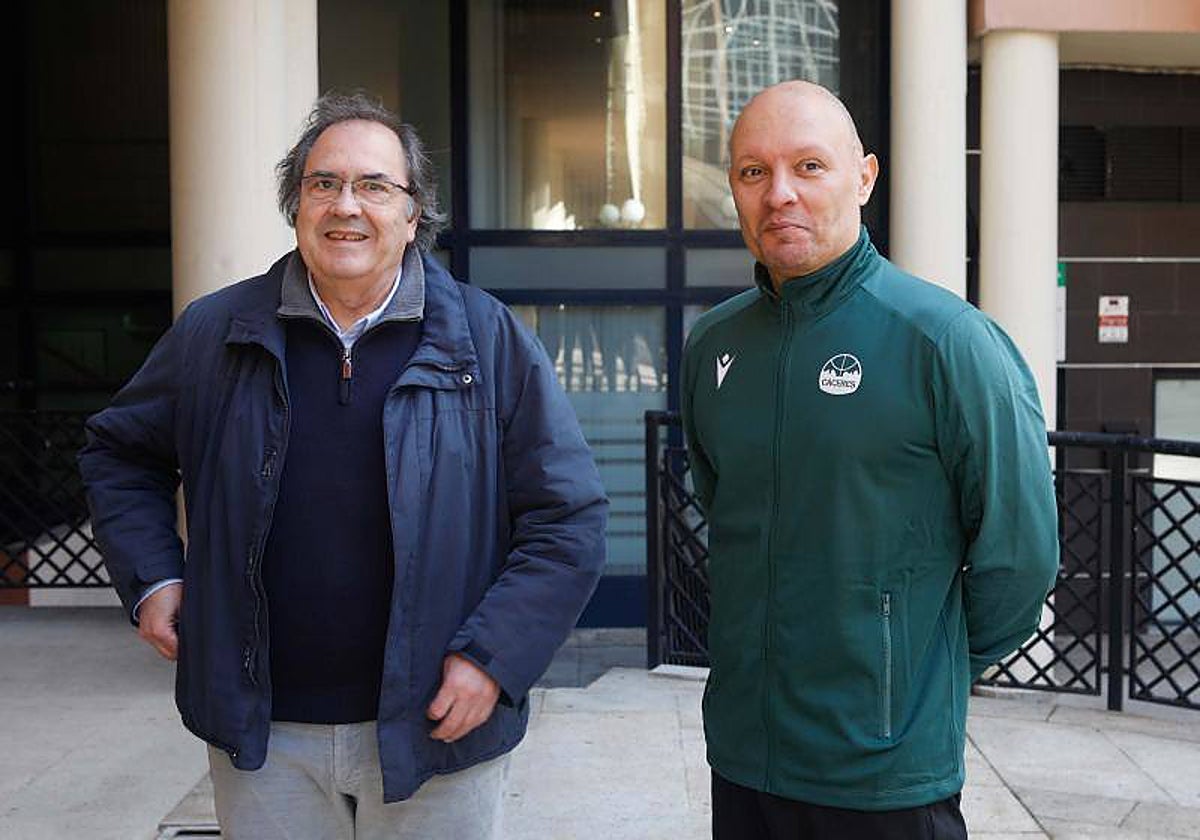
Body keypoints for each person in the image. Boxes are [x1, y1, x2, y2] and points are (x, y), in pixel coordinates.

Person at [79, 92, 607, 839]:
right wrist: (155, 577)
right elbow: (119, 451)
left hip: (437, 732)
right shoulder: (214, 332)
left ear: (413, 212)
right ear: (295, 203)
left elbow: (569, 517)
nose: (345, 206)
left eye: (373, 186)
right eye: (322, 183)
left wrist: (493, 659)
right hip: (264, 735)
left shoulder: (487, 341)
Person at [681, 80, 1059, 839]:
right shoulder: (715, 344)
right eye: (753, 172)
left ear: (865, 177)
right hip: (744, 758)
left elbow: (1020, 561)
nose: (779, 193)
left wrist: (914, 671)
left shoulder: (946, 341)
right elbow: (724, 515)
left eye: (809, 166)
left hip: (884, 777)